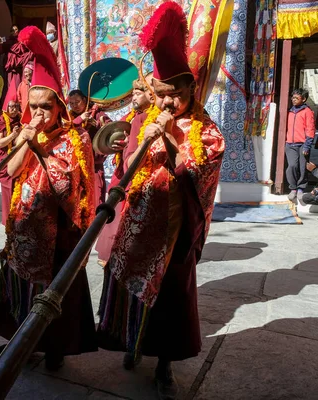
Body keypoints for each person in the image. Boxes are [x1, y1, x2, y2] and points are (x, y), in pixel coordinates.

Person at [96, 3, 225, 399]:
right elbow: (128, 163)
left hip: (174, 233)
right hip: (138, 220)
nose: (168, 104)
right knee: (129, 287)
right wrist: (120, 147)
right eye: (162, 96)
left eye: (176, 96)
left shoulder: (207, 132)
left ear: (191, 89)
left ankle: (165, 363)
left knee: (168, 297)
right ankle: (132, 342)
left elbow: (198, 175)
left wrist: (169, 138)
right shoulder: (144, 117)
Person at [0, 25, 98, 371]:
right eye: (32, 106)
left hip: (59, 233)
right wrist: (26, 141)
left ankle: (54, 347)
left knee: (53, 290)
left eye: (45, 107)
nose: (37, 114)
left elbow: (67, 186)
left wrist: (38, 146)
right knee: (21, 284)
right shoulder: (27, 130)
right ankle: (22, 341)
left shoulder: (75, 138)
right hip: (25, 225)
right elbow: (13, 170)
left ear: (59, 106)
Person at [95, 75, 154, 266]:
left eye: (138, 93)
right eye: (133, 94)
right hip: (123, 173)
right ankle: (108, 254)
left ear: (151, 95)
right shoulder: (133, 117)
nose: (134, 98)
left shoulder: (149, 119)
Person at [68, 89, 112, 207]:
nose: (74, 106)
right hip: (76, 166)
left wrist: (98, 125)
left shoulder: (97, 114)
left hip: (94, 164)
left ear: (84, 100)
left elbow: (111, 130)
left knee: (96, 199)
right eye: (71, 103)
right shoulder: (70, 117)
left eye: (77, 102)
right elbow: (66, 129)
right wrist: (80, 119)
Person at [0, 91, 22, 225]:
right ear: (5, 108)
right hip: (5, 160)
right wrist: (13, 136)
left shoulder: (20, 119)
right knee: (9, 189)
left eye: (16, 106)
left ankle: (19, 217)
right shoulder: (0, 121)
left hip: (18, 157)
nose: (14, 109)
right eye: (11, 107)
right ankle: (8, 220)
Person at [285, 88, 315, 205]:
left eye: (296, 98)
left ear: (304, 99)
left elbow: (310, 129)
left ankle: (301, 189)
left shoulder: (307, 111)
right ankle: (293, 188)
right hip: (290, 144)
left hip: (302, 144)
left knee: (302, 167)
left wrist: (307, 146)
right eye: (293, 97)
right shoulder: (289, 111)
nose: (293, 99)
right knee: (292, 166)